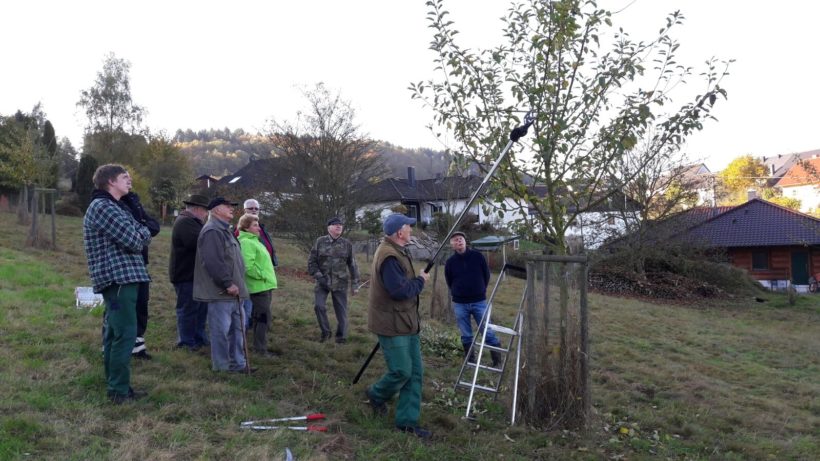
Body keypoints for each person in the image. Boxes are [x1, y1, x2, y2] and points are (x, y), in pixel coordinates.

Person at [83, 164, 152, 404]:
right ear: (111, 181)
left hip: (123, 278)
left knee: (116, 334)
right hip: (119, 278)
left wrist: (139, 229)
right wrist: (141, 231)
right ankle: (119, 391)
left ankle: (117, 387)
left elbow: (139, 230)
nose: (129, 180)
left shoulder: (114, 206)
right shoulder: (103, 207)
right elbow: (136, 239)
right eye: (125, 177)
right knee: (124, 334)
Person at [364, 213, 431, 439]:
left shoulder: (397, 251)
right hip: (391, 323)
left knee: (415, 373)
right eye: (408, 227)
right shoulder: (389, 256)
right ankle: (376, 394)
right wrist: (421, 281)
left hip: (406, 321)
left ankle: (406, 422)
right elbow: (400, 291)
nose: (411, 230)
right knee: (402, 370)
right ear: (399, 233)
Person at [193, 196, 253, 373]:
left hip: (234, 293)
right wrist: (227, 283)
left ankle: (238, 364)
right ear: (216, 210)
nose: (231, 209)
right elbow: (213, 261)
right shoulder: (212, 231)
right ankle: (222, 367)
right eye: (227, 206)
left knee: (237, 331)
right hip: (221, 293)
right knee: (221, 332)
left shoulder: (225, 230)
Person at [444, 231, 502, 367]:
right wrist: (457, 292)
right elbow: (449, 280)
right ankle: (470, 361)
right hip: (460, 303)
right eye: (455, 240)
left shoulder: (478, 256)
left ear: (465, 241)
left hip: (479, 301)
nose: (459, 241)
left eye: (461, 239)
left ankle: (497, 362)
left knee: (487, 331)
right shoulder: (450, 262)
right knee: (466, 334)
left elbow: (486, 275)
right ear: (452, 245)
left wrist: (479, 290)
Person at [120, 191, 160, 359]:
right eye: (125, 178)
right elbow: (133, 235)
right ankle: (116, 344)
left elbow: (154, 225)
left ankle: (137, 346)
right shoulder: (114, 204)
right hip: (124, 265)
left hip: (141, 263)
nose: (129, 182)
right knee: (121, 308)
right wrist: (143, 226)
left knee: (141, 304)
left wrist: (141, 225)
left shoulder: (134, 199)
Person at [307, 217, 360, 343]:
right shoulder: (320, 242)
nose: (339, 226)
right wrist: (319, 277)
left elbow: (352, 265)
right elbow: (311, 262)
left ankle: (341, 337)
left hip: (340, 283)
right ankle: (326, 333)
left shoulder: (346, 244)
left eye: (340, 225)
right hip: (322, 281)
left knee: (341, 312)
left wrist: (355, 284)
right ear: (328, 227)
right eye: (335, 224)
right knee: (319, 306)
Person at [169, 194, 210, 350]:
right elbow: (198, 243)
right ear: (198, 209)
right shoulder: (186, 222)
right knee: (188, 310)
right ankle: (186, 342)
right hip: (185, 275)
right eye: (205, 211)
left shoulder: (191, 222)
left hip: (193, 275)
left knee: (199, 309)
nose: (206, 214)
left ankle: (199, 338)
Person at [237, 214, 278, 356]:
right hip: (259, 287)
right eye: (255, 225)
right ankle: (260, 349)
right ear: (246, 227)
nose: (258, 228)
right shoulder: (247, 242)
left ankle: (259, 346)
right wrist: (263, 276)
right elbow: (248, 266)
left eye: (258, 224)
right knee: (263, 317)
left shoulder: (254, 240)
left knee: (260, 317)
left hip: (264, 285)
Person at [234, 198, 278, 328]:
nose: (254, 210)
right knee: (250, 307)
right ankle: (246, 332)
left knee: (261, 308)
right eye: (250, 208)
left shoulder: (259, 227)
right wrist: (261, 274)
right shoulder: (242, 230)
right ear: (244, 210)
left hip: (265, 274)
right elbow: (246, 261)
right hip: (254, 277)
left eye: (256, 208)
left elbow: (267, 246)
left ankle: (255, 328)